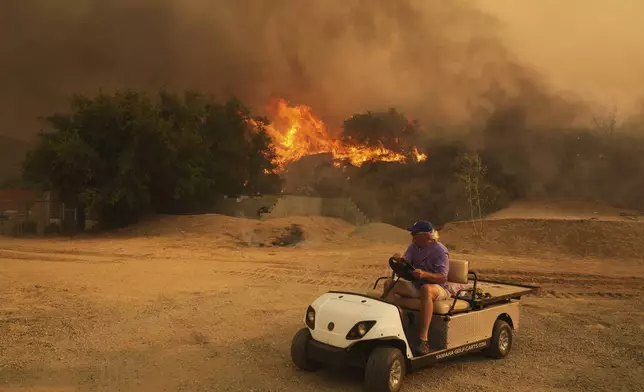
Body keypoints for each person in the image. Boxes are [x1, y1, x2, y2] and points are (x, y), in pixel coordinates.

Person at [382, 220, 461, 356]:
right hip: (417, 285)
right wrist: (399, 259)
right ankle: (390, 329)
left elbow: (442, 277)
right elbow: (406, 264)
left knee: (426, 289)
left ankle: (423, 340)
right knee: (389, 284)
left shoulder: (440, 251)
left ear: (425, 236)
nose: (411, 235)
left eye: (414, 233)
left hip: (439, 288)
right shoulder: (414, 247)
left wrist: (424, 274)